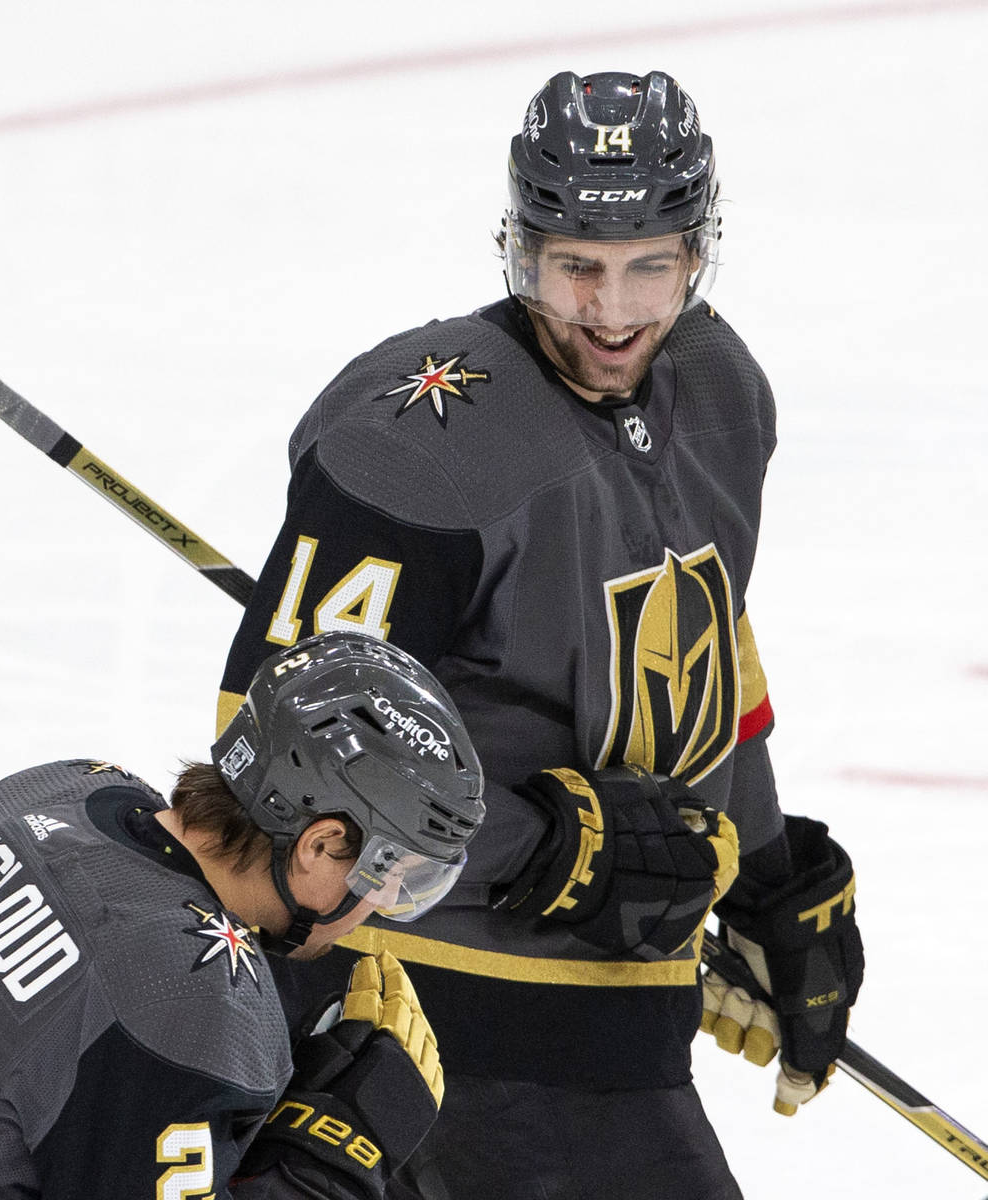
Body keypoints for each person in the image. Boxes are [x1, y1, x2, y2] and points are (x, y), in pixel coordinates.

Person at [217, 70, 864, 1199]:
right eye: (573, 266)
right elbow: (263, 768)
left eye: (646, 267)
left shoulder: (718, 389)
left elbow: (704, 653)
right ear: (517, 247)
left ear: (698, 251)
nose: (608, 312)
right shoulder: (420, 436)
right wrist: (542, 854)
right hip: (427, 1021)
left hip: (616, 1026)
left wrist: (760, 877)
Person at [0, 631, 485, 1200]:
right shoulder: (193, 1006)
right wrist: (328, 1165)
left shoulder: (59, 788)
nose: (383, 901)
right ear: (321, 843)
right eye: (394, 872)